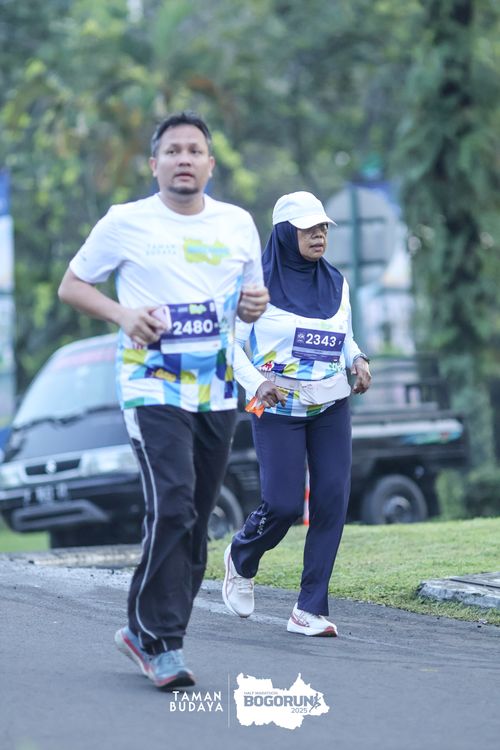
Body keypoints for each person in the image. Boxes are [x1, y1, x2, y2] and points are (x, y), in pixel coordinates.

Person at [58, 111, 269, 689]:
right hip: (151, 386)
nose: (184, 159)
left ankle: (143, 632)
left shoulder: (236, 224)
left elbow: (251, 302)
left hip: (216, 391)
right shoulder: (125, 222)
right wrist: (123, 314)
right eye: (172, 151)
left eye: (194, 150)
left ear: (210, 164)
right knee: (173, 505)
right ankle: (161, 640)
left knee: (196, 519)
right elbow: (72, 285)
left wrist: (253, 306)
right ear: (154, 164)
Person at [222, 191, 371, 636]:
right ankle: (242, 557)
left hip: (330, 405)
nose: (319, 234)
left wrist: (358, 359)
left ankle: (309, 608)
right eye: (309, 228)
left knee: (332, 500)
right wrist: (256, 383)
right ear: (286, 233)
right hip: (276, 406)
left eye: (323, 227)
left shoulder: (336, 282)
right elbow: (230, 345)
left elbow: (343, 335)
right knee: (284, 504)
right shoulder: (256, 287)